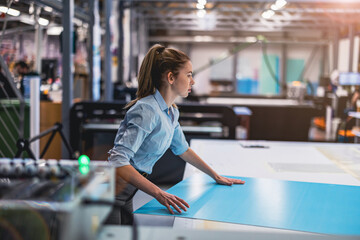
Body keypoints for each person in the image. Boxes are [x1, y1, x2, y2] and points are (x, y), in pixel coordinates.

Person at [106, 44, 245, 225]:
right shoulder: (147, 110)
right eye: (188, 75)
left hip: (128, 190)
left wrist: (215, 175)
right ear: (171, 77)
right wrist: (159, 193)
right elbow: (118, 161)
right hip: (110, 195)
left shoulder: (170, 112)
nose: (192, 81)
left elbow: (183, 149)